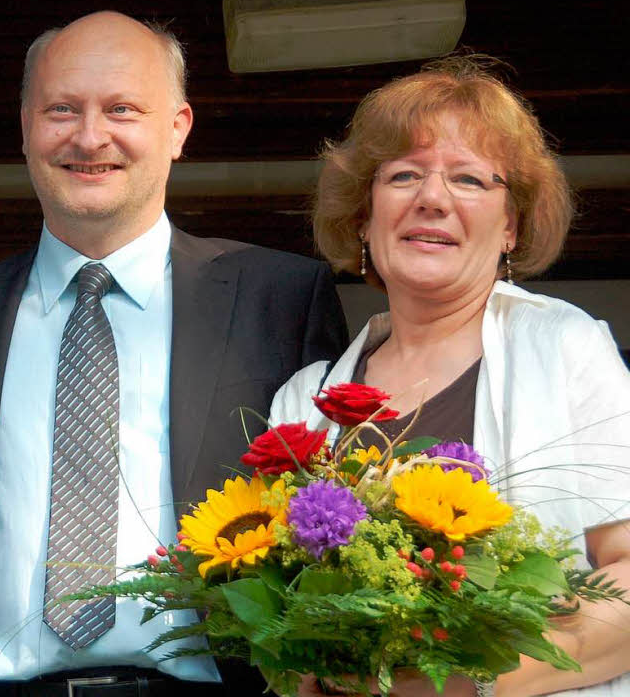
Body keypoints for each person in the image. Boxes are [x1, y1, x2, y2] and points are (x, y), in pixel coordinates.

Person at [0, 10, 348, 696]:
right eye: (61, 109)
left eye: (122, 109)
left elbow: (336, 520)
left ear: (178, 129)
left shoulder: (279, 299)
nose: (89, 135)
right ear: (25, 128)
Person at [270, 56, 630, 696]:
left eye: (468, 179)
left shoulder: (563, 347)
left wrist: (458, 685)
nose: (431, 199)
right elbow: (286, 617)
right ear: (364, 214)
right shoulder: (302, 402)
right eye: (404, 175)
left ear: (511, 225)